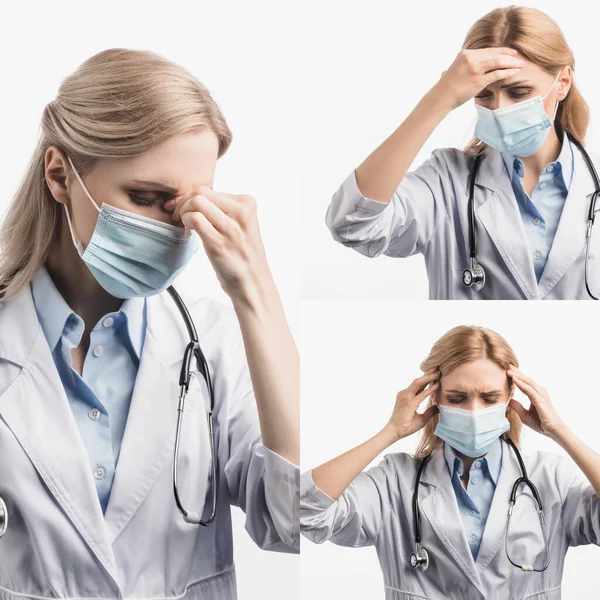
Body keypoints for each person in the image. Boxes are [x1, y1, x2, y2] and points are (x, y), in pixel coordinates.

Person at [0, 48, 299, 600]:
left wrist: (258, 298)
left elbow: (291, 521)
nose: (177, 229)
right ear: (60, 174)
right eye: (146, 198)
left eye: (191, 204)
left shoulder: (214, 342)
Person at [300, 326, 600, 599]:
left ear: (511, 396)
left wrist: (560, 432)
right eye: (456, 398)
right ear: (435, 397)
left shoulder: (550, 478)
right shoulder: (395, 481)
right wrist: (390, 432)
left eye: (490, 397)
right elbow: (305, 510)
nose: (473, 410)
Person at [325, 6, 600, 300]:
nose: (500, 109)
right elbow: (352, 225)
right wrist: (440, 97)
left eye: (518, 93)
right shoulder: (447, 181)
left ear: (563, 83)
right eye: (483, 94)